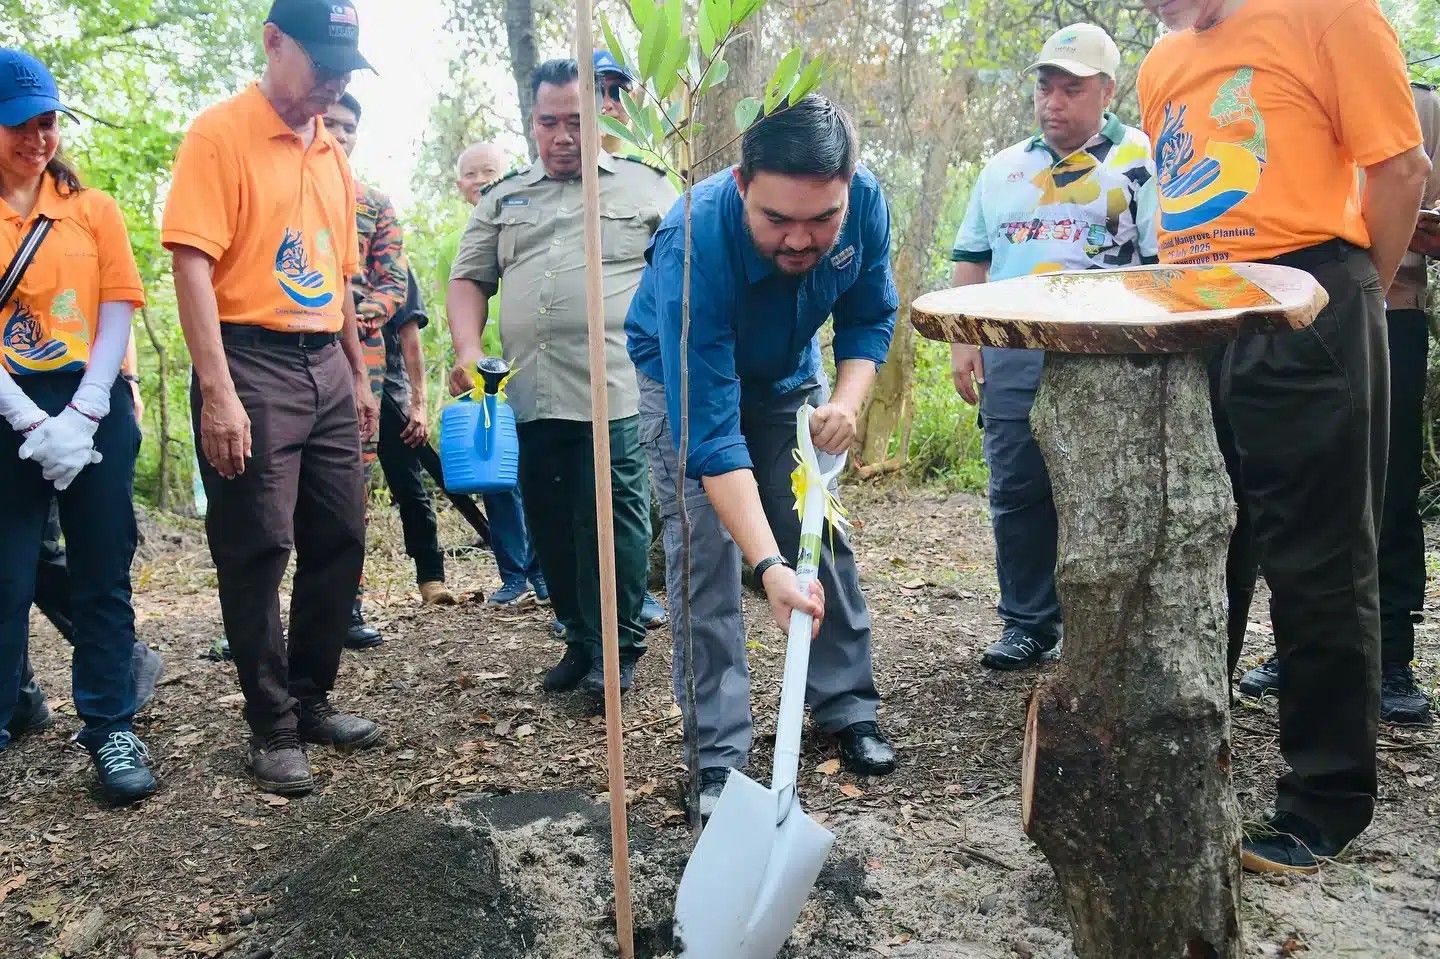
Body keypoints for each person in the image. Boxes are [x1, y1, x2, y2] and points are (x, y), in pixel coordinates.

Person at [1139, 0, 1432, 874]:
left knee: (1319, 556)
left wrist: (1350, 301)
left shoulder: (1329, 12)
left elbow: (1401, 168)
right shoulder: (1161, 63)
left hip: (1305, 289)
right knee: (1198, 550)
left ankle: (1324, 799)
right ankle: (1190, 768)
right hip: (1191, 314)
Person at [626, 94, 901, 817]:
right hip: (685, 376)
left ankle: (845, 704)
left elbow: (870, 315)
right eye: (778, 220)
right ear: (743, 185)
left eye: (822, 220)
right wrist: (769, 567)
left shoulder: (865, 201)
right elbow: (713, 436)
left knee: (819, 527)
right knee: (705, 552)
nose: (800, 240)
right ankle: (717, 755)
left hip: (790, 376)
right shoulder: (693, 241)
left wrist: (844, 400)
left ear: (848, 187)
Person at [163, 0, 384, 796]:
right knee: (257, 544)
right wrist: (218, 391)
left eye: (343, 68)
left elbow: (342, 279)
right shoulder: (217, 135)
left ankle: (311, 696)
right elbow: (191, 264)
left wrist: (357, 377)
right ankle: (271, 724)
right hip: (247, 354)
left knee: (341, 532)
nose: (332, 81)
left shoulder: (332, 154)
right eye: (319, 61)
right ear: (272, 43)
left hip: (325, 355)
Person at [448, 58, 676, 699]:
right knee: (549, 520)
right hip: (528, 394)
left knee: (613, 522)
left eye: (575, 121)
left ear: (599, 117)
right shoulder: (506, 197)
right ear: (532, 124)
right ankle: (578, 638)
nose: (562, 136)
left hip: (618, 392)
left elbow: (689, 278)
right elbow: (469, 278)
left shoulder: (646, 190)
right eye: (548, 122)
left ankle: (620, 646)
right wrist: (467, 347)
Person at [949, 24, 1158, 672]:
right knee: (1017, 486)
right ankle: (1027, 621)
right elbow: (971, 259)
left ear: (1107, 90)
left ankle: (1098, 625)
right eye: (1046, 88)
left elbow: (1161, 266)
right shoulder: (1003, 168)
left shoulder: (1142, 162)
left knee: (1104, 489)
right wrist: (964, 343)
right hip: (1013, 345)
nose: (1054, 103)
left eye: (1072, 89)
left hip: (1107, 350)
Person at [1237, 82, 1440, 727]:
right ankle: (1297, 653)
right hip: (1282, 317)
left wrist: (1367, 295)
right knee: (1285, 492)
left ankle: (1394, 659)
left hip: (1387, 312)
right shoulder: (1269, 83)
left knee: (1385, 484)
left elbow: (1412, 180)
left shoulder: (1418, 102)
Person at [0, 48, 156, 803]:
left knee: (102, 568)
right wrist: (31, 420)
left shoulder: (91, 210)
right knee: (8, 574)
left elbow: (118, 305)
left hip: (91, 399)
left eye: (47, 121)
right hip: (8, 406)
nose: (35, 138)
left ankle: (110, 723)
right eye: (17, 124)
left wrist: (85, 413)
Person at [324, 92, 460, 616]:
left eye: (348, 126)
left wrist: (347, 315)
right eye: (329, 123)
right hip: (285, 362)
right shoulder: (278, 192)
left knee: (370, 484)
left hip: (373, 377)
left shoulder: (374, 206)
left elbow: (396, 297)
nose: (339, 134)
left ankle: (352, 601)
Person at [435, 140, 551, 609]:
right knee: (493, 474)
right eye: (471, 174)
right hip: (484, 374)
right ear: (460, 185)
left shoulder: (530, 222)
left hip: (533, 364)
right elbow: (458, 303)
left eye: (490, 171)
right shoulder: (452, 243)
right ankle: (512, 575)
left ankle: (547, 574)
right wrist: (460, 359)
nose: (481, 180)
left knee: (539, 471)